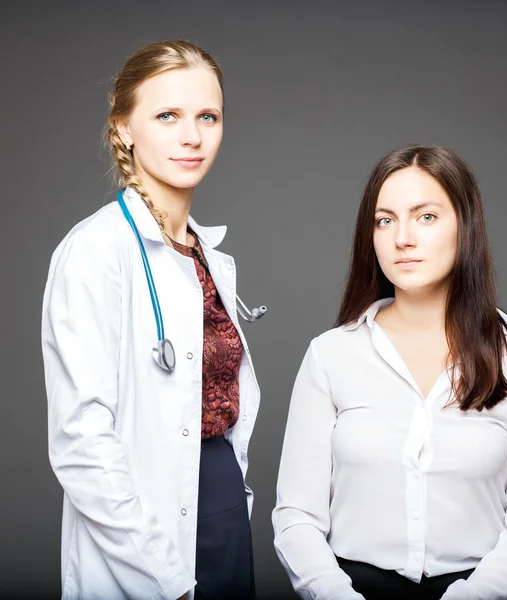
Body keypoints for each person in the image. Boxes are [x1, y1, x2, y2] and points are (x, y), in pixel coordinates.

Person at [272, 145, 507, 600]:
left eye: (425, 217)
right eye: (385, 220)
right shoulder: (330, 356)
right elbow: (296, 518)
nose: (401, 238)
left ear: (465, 227)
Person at [41, 40, 260, 600]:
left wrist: (231, 501)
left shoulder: (203, 254)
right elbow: (82, 441)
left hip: (222, 510)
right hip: (141, 535)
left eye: (207, 117)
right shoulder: (96, 250)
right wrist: (165, 577)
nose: (192, 136)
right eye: (168, 116)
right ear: (123, 130)